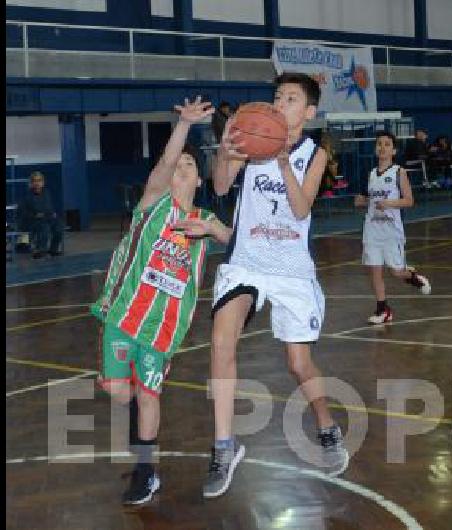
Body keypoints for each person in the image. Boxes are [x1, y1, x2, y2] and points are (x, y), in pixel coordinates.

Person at [204, 72, 348, 499]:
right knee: (220, 341)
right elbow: (219, 186)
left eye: (289, 98)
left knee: (299, 365)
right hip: (246, 261)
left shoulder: (313, 153)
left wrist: (283, 161)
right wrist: (224, 153)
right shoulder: (250, 141)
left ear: (308, 111)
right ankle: (224, 446)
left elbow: (302, 209)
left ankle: (326, 425)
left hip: (291, 270)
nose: (279, 102)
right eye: (276, 96)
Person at [91, 97, 231, 505]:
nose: (180, 170)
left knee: (149, 394)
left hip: (162, 327)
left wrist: (213, 231)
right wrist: (184, 127)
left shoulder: (206, 220)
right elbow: (162, 167)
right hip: (123, 313)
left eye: (189, 166)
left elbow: (238, 243)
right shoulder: (153, 205)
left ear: (199, 180)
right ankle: (141, 447)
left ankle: (145, 471)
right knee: (120, 393)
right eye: (176, 167)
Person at [354, 131, 432, 324]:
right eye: (379, 143)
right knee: (374, 269)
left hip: (391, 231)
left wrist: (388, 204)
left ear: (394, 150)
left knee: (396, 272)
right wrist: (361, 200)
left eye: (387, 144)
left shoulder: (399, 172)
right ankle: (383, 309)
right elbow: (360, 199)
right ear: (375, 148)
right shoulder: (371, 173)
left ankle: (413, 277)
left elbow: (409, 200)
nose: (382, 147)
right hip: (372, 229)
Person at [18, 171, 64, 258]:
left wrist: (52, 213)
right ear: (31, 183)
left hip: (46, 218)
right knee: (44, 227)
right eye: (34, 181)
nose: (37, 183)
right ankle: (40, 250)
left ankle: (53, 249)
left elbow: (49, 207)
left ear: (43, 182)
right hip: (31, 221)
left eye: (39, 180)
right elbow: (22, 212)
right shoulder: (26, 196)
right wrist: (35, 215)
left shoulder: (46, 193)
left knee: (59, 226)